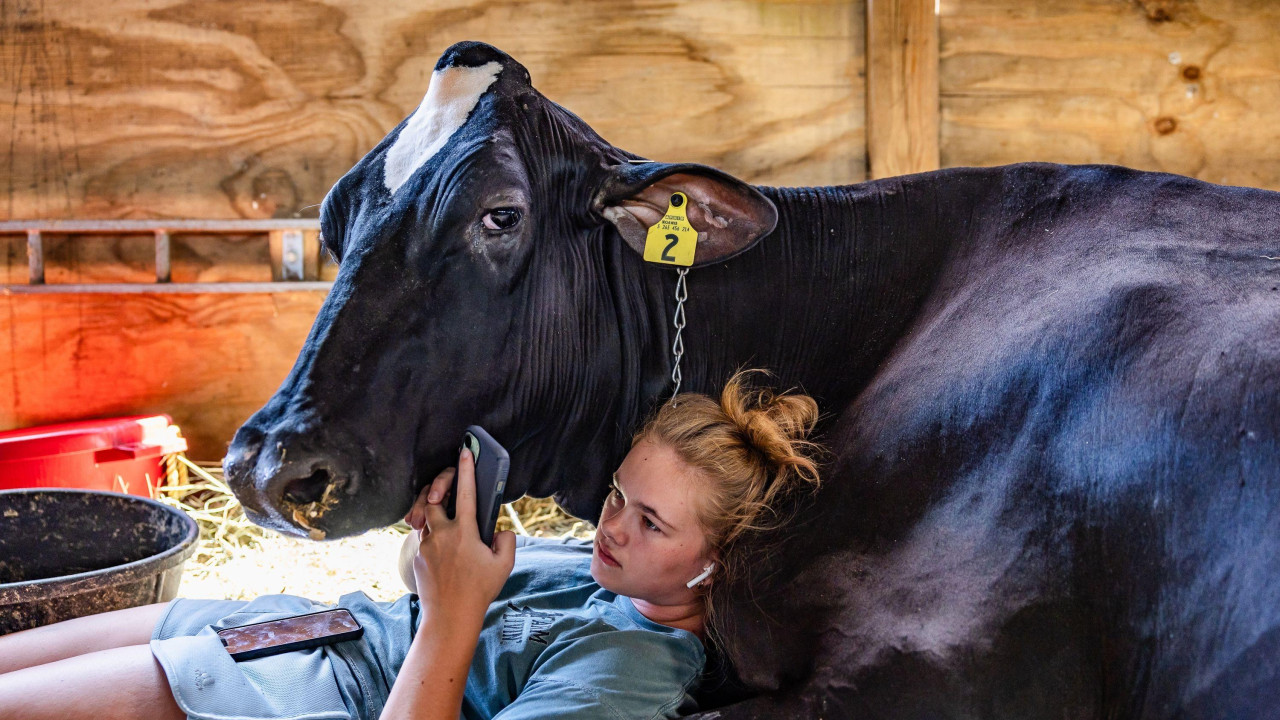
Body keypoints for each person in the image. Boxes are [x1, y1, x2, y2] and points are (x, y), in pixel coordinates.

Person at [0, 370, 822, 720]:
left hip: (309, 692)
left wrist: (454, 608)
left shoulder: (632, 670)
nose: (611, 526)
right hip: (298, 626)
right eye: (617, 495)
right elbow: (420, 589)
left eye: (651, 522)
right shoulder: (596, 572)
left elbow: (446, 624)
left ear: (716, 560)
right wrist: (434, 544)